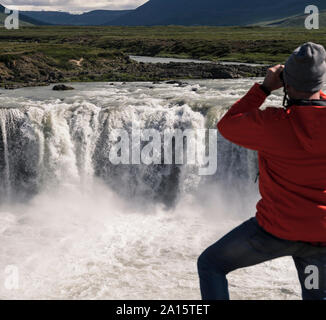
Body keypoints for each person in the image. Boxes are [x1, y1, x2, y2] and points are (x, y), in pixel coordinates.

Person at [197, 42, 326, 300]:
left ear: (286, 82)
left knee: (211, 264)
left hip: (275, 230)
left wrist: (265, 88)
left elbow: (227, 125)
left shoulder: (272, 123)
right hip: (322, 235)